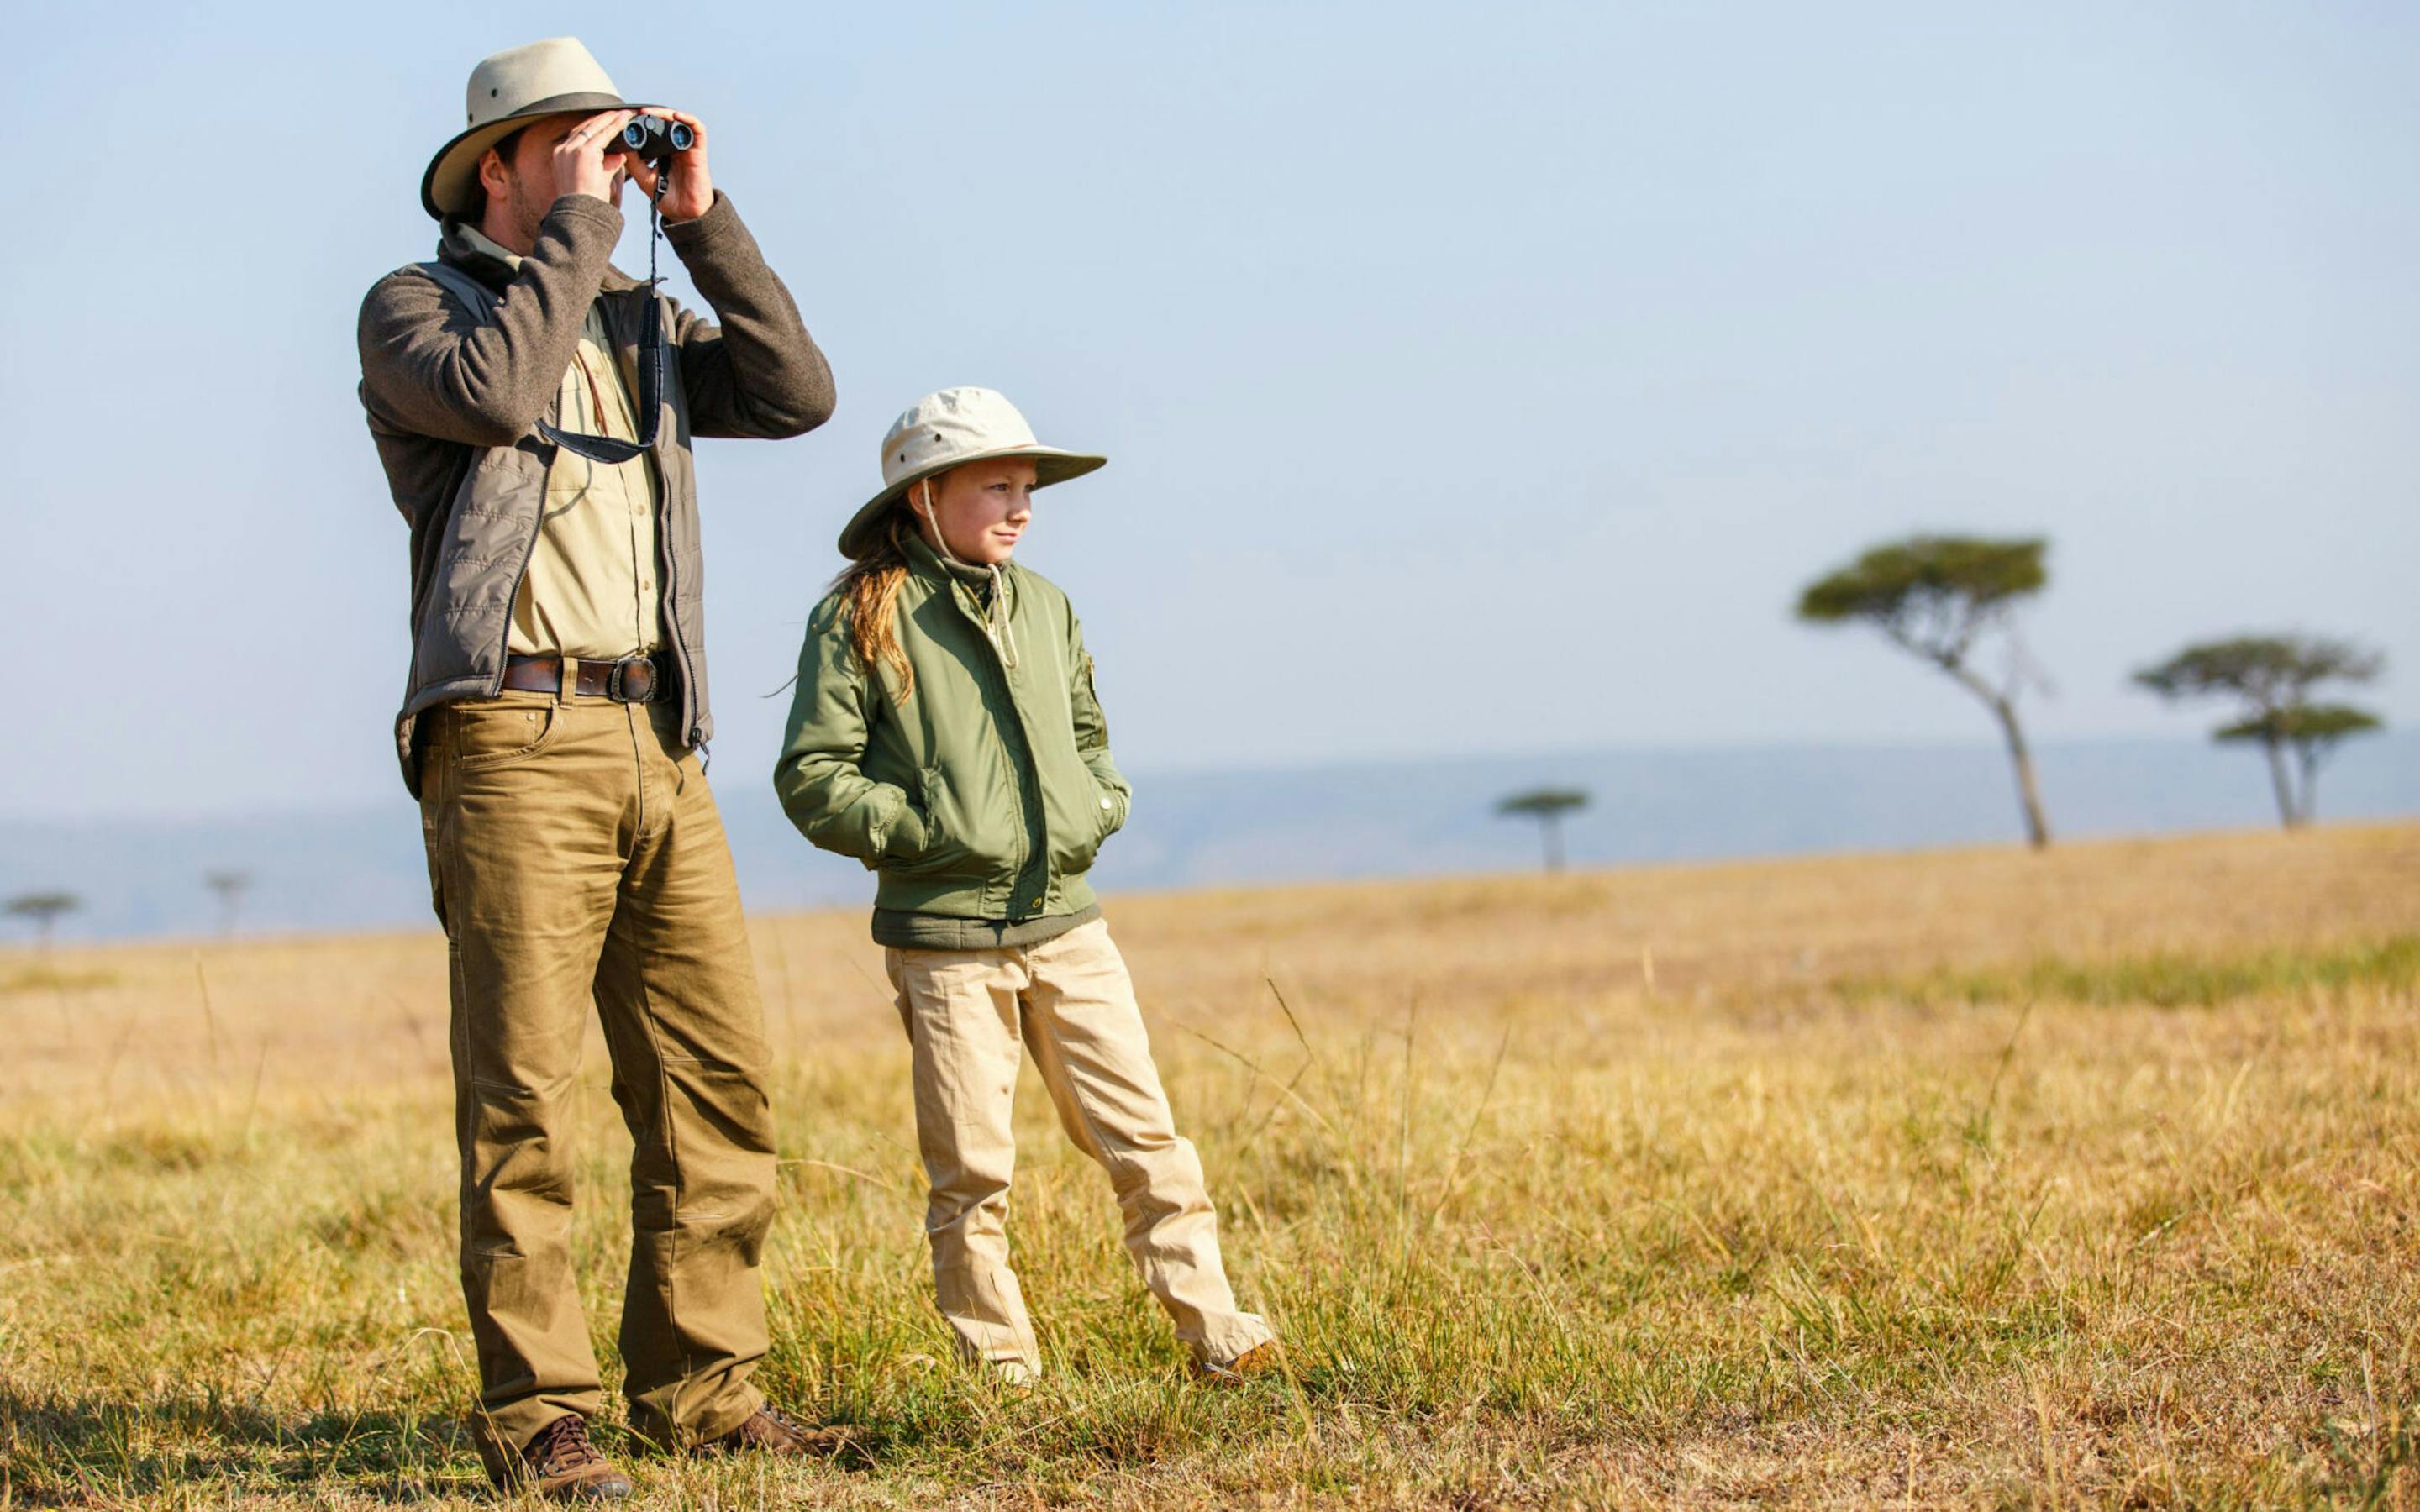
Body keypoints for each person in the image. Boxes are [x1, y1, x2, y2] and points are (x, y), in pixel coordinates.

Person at [356, 37, 839, 1499]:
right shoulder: (413, 311)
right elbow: (499, 396)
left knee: (716, 1079)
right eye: (562, 139)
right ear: (492, 168)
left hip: (656, 735)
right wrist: (580, 225)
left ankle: (700, 1387)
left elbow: (797, 389)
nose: (593, 157)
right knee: (524, 1094)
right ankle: (538, 1415)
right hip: (509, 736)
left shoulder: (636, 314)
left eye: (604, 135)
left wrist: (699, 215)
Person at [771, 386, 1281, 1385]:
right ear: (924, 497)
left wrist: (1100, 805)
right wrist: (924, 833)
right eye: (998, 485)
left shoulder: (1045, 606)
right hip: (943, 941)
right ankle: (999, 1364)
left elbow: (1089, 736)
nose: (1023, 506)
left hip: (1070, 928)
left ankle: (1217, 1329)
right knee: (970, 1171)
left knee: (1147, 1138)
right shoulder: (856, 616)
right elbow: (813, 774)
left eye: (1028, 486)